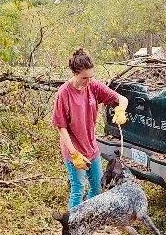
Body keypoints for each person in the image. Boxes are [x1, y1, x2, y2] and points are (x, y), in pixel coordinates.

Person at [52, 48, 128, 210]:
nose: (88, 81)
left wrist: (121, 109)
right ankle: (71, 227)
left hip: (91, 147)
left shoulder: (93, 86)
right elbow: (61, 127)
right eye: (84, 78)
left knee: (97, 187)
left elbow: (122, 99)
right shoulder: (64, 93)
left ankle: (87, 218)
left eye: (91, 77)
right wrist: (74, 154)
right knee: (78, 189)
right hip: (74, 150)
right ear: (75, 73)